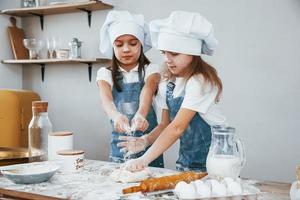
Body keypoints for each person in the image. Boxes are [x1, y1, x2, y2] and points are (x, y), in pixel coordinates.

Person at [122, 10, 227, 172]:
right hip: (188, 159)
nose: (167, 59)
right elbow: (166, 124)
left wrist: (144, 159)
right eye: (164, 53)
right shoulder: (168, 82)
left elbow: (178, 127)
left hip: (217, 160)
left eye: (174, 53)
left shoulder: (200, 81)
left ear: (193, 53)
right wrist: (145, 140)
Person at [96, 10, 164, 168]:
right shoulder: (105, 74)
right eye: (119, 44)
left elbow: (148, 90)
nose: (126, 49)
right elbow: (106, 101)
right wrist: (116, 116)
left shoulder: (151, 70)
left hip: (148, 147)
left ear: (141, 44)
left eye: (133, 43)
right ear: (112, 46)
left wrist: (141, 114)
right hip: (120, 146)